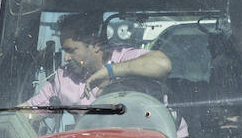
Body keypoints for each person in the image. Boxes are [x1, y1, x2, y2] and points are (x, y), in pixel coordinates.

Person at [24, 14, 171, 110]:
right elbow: (30, 110)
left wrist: (110, 71)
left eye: (71, 50)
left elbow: (163, 65)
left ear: (95, 45)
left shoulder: (123, 57)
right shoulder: (64, 77)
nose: (66, 58)